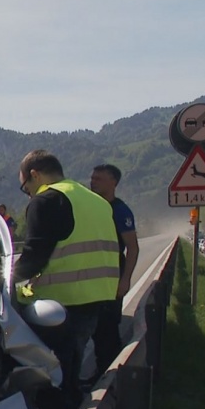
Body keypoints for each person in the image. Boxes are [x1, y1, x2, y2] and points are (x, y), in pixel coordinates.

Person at [12, 150, 119, 409]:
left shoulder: (45, 201)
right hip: (97, 298)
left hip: (60, 304)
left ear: (35, 175)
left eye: (25, 187)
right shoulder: (96, 201)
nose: (28, 194)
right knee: (72, 365)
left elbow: (34, 257)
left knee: (54, 375)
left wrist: (6, 281)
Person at [88, 163, 140, 381]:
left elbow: (133, 248)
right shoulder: (90, 207)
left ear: (113, 183)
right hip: (91, 279)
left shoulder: (119, 210)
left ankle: (113, 379)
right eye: (92, 178)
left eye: (99, 179)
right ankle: (100, 374)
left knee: (107, 331)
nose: (93, 182)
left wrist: (125, 280)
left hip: (111, 279)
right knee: (93, 330)